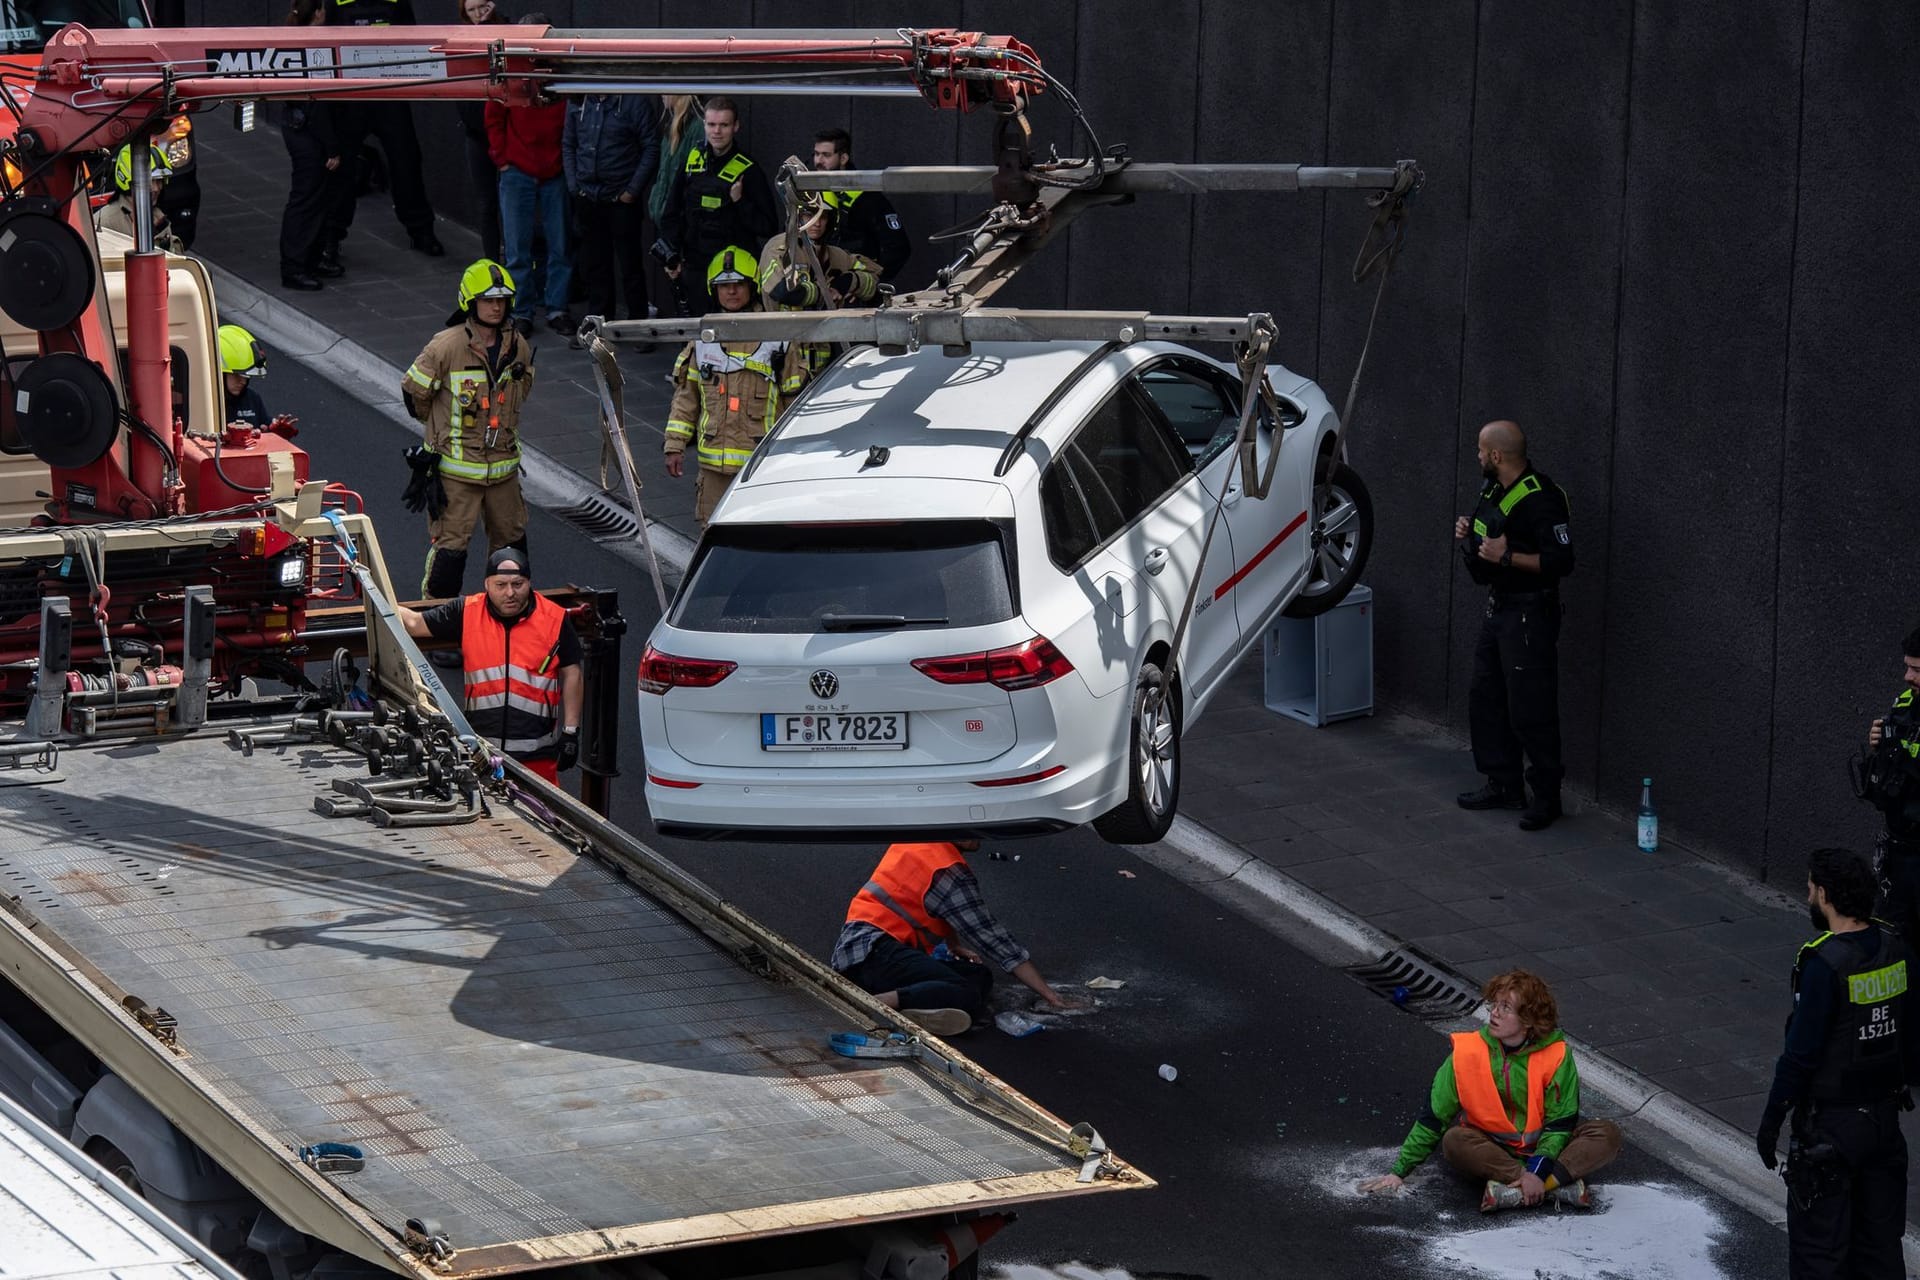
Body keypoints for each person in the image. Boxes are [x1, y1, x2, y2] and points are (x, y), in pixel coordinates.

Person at [1756, 848, 1918, 1278]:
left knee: (1820, 1256)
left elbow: (1800, 1055)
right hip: (1884, 1124)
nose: (1809, 895)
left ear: (1825, 895)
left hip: (1831, 1131)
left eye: (1811, 888)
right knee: (1880, 1253)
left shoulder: (1824, 964)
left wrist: (1773, 1118)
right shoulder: (1896, 947)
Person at [1358, 969, 1621, 1210]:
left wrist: (1538, 1171)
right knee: (1454, 1141)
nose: (1494, 1013)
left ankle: (1526, 1190)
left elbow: (1559, 1126)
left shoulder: (1557, 1055)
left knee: (1606, 1135)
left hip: (1547, 1150)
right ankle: (1547, 1186)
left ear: (1528, 1019)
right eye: (1494, 1004)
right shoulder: (1468, 1052)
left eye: (1505, 1007)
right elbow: (1433, 1117)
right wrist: (1399, 1171)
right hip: (1492, 1150)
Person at [1452, 420, 1575, 831]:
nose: (1478, 455)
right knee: (1485, 697)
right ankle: (1503, 784)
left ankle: (1546, 796)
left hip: (1529, 616)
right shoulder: (1494, 489)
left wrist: (1508, 558)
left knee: (1531, 708)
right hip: (1499, 609)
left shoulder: (1542, 499)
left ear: (1496, 456)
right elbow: (1491, 538)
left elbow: (1561, 562)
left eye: (1480, 449)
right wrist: (1470, 533)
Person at [831, 840, 1070, 1036]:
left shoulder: (921, 843)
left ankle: (917, 1005)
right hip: (875, 954)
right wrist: (1050, 996)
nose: (980, 834)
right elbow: (995, 940)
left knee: (980, 975)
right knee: (965, 992)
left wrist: (953, 945)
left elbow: (937, 904)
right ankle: (878, 1002)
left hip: (865, 951)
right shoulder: (948, 872)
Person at [402, 260, 536, 600]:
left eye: (502, 299)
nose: (496, 306)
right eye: (488, 299)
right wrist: (438, 431)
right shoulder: (445, 347)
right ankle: (438, 623)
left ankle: (506, 615)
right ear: (469, 302)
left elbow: (522, 393)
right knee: (450, 555)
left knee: (512, 555)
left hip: (504, 473)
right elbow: (413, 392)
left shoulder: (517, 344)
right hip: (457, 477)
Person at [396, 548, 582, 785]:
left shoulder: (554, 619)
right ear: (487, 584)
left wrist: (570, 732)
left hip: (537, 757)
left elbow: (572, 672)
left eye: (518, 584)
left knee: (543, 820)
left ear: (529, 583)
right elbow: (414, 623)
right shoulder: (467, 611)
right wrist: (371, 593)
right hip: (480, 753)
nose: (510, 593)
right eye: (500, 584)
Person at [662, 247, 806, 526]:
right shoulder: (702, 342)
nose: (731, 292)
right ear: (713, 290)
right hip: (713, 471)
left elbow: (794, 407)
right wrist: (674, 446)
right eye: (724, 286)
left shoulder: (777, 341)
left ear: (751, 287)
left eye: (738, 284)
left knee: (756, 538)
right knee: (711, 537)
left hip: (760, 470)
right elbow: (685, 400)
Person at [319, 0, 445, 261]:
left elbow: (412, 37)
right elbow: (322, 41)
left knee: (406, 160)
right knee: (342, 170)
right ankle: (330, 238)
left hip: (388, 92)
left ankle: (421, 230)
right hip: (349, 95)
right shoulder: (335, 2)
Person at [658, 97, 778, 312]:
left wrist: (740, 202)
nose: (717, 131)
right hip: (695, 266)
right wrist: (671, 254)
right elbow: (672, 212)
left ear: (736, 127)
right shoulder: (692, 162)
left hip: (732, 273)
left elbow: (768, 226)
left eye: (724, 125)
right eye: (711, 124)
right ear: (704, 125)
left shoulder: (748, 170)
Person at [563, 90, 660, 340]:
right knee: (595, 266)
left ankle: (638, 329)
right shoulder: (578, 100)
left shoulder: (634, 101)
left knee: (630, 266)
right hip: (588, 196)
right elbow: (569, 144)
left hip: (621, 199)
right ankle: (598, 328)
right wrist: (575, 186)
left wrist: (632, 191)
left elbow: (651, 146)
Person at [487, 81, 573, 338]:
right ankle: (521, 312)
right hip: (517, 169)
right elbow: (493, 115)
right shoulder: (513, 79)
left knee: (560, 246)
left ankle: (556, 308)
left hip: (554, 171)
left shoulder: (559, 82)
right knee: (517, 248)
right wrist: (501, 158)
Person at [757, 204, 881, 376]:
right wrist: (824, 292)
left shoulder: (834, 255)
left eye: (823, 217)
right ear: (796, 216)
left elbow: (875, 278)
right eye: (809, 215)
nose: (816, 223)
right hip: (783, 354)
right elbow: (782, 292)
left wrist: (848, 282)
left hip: (822, 359)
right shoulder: (779, 247)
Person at [277, 0, 343, 290]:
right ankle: (295, 267)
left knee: (312, 200)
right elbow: (318, 102)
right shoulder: (313, 46)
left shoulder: (292, 39)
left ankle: (308, 260)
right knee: (306, 201)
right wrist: (332, 148)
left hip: (299, 128)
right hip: (310, 135)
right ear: (318, 13)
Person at [1863, 626, 1920, 956]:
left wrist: (1898, 748)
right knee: (1893, 938)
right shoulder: (1906, 703)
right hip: (1898, 848)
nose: (1908, 676)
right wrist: (1879, 742)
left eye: (1917, 669)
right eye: (1907, 666)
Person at [811, 127, 910, 282]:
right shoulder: (811, 193)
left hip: (857, 291)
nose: (818, 161)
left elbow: (899, 247)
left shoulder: (868, 197)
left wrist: (873, 284)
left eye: (826, 155)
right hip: (821, 288)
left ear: (843, 158)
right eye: (816, 154)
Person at [454, 0, 510, 263]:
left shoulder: (508, 30)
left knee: (512, 202)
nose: (478, 15)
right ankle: (492, 260)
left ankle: (516, 256)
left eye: (482, 7)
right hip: (477, 133)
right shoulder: (461, 40)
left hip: (508, 133)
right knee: (486, 203)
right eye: (472, 10)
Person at [95, 145, 185, 254]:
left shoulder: (158, 218)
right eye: (149, 181)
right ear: (127, 182)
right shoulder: (105, 222)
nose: (156, 188)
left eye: (160, 180)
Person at [218, 325, 269, 426]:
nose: (243, 381)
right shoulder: (204, 402)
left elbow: (265, 425)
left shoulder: (253, 399)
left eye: (246, 377)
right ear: (220, 374)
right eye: (237, 375)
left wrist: (275, 431)